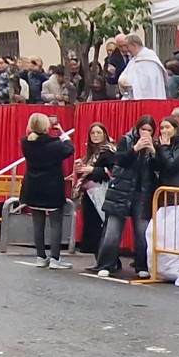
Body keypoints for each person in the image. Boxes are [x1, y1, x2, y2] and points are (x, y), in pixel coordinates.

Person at [93, 117, 157, 279]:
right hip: (121, 190)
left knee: (142, 232)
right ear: (137, 129)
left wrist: (154, 153)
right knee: (112, 231)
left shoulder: (155, 145)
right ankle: (106, 264)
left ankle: (142, 265)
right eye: (143, 129)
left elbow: (159, 168)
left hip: (141, 192)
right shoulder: (126, 140)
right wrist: (135, 149)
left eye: (149, 130)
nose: (146, 133)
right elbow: (119, 161)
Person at [19, 113, 75, 269]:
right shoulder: (55, 144)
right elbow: (70, 149)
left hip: (33, 187)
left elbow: (30, 137)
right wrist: (62, 133)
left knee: (38, 224)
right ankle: (55, 259)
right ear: (47, 126)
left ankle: (40, 257)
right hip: (52, 188)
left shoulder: (25, 143)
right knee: (56, 224)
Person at [73, 123, 116, 256]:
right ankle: (99, 258)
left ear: (104, 134)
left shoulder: (109, 151)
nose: (95, 136)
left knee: (102, 226)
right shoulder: (91, 153)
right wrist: (81, 170)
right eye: (93, 133)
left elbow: (113, 171)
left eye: (98, 133)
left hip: (103, 192)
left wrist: (93, 170)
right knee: (92, 226)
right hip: (90, 194)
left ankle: (108, 260)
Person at [117, 33, 168, 101]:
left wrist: (129, 84)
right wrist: (123, 81)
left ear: (134, 45)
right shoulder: (134, 60)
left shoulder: (148, 60)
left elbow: (144, 85)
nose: (126, 49)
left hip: (147, 99)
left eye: (127, 46)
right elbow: (125, 75)